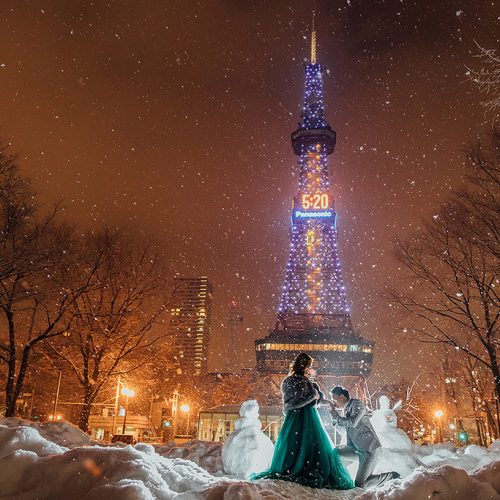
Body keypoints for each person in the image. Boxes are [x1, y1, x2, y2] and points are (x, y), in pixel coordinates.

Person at [250, 353, 354, 490]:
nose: (310, 369)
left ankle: (294, 466)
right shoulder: (298, 381)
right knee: (308, 443)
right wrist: (313, 396)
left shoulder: (292, 381)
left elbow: (301, 402)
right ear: (304, 366)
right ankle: (304, 467)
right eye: (308, 366)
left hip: (299, 416)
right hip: (303, 417)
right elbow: (297, 402)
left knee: (296, 443)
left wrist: (325, 401)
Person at [327, 386, 400, 488]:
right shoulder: (345, 410)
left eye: (334, 398)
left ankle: (391, 476)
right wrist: (334, 418)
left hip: (369, 450)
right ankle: (338, 478)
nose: (333, 402)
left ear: (342, 396)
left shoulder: (358, 404)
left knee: (360, 484)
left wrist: (336, 417)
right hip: (356, 449)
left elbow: (353, 422)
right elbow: (343, 430)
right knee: (335, 452)